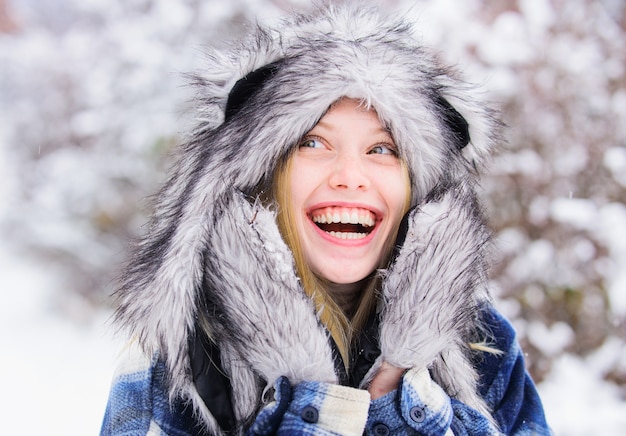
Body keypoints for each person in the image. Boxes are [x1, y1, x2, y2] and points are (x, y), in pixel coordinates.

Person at [101, 4, 551, 435]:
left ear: (417, 189)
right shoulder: (185, 359)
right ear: (262, 173)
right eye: (313, 143)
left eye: (382, 149)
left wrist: (401, 398)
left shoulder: (484, 348)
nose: (350, 178)